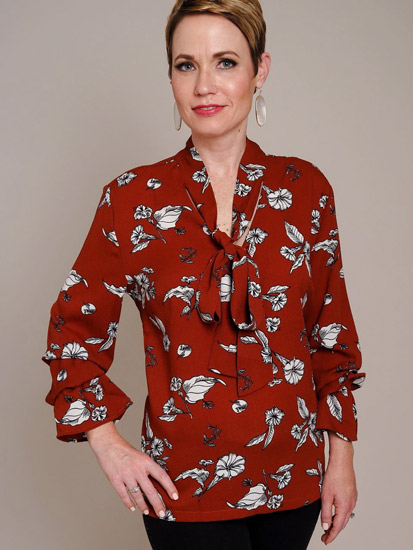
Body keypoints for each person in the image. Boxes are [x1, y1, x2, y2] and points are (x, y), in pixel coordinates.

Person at [41, 1, 366, 548]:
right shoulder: (132, 199)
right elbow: (74, 331)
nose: (204, 86)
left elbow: (330, 338)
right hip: (182, 486)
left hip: (294, 483)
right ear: (169, 75)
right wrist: (107, 442)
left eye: (226, 62)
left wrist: (342, 459)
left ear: (260, 70)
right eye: (186, 65)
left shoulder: (306, 191)